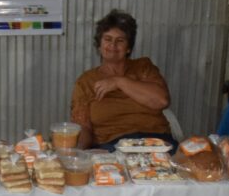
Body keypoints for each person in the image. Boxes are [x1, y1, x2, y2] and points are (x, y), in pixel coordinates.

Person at [70, 10, 174, 151]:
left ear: (128, 48)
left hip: (156, 143)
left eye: (120, 40)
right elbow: (83, 127)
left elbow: (161, 101)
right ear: (99, 46)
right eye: (107, 39)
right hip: (113, 147)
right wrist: (77, 153)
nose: (113, 45)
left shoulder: (143, 67)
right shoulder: (86, 82)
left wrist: (119, 82)